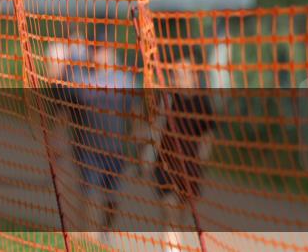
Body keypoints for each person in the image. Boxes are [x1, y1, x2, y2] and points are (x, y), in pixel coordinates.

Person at [46, 44, 135, 241]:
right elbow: (63, 110)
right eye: (94, 49)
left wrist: (137, 144)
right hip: (87, 150)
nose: (97, 54)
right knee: (91, 198)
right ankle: (90, 242)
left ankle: (104, 233)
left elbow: (132, 115)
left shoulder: (124, 81)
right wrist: (57, 139)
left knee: (113, 201)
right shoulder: (80, 80)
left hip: (115, 151)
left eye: (101, 49)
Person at [153, 60, 215, 252]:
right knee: (170, 212)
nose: (179, 77)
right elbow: (155, 126)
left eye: (183, 73)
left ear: (193, 77)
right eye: (176, 74)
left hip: (189, 169)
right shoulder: (167, 98)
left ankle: (175, 246)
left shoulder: (202, 104)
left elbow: (208, 136)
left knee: (181, 216)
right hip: (166, 166)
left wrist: (200, 161)